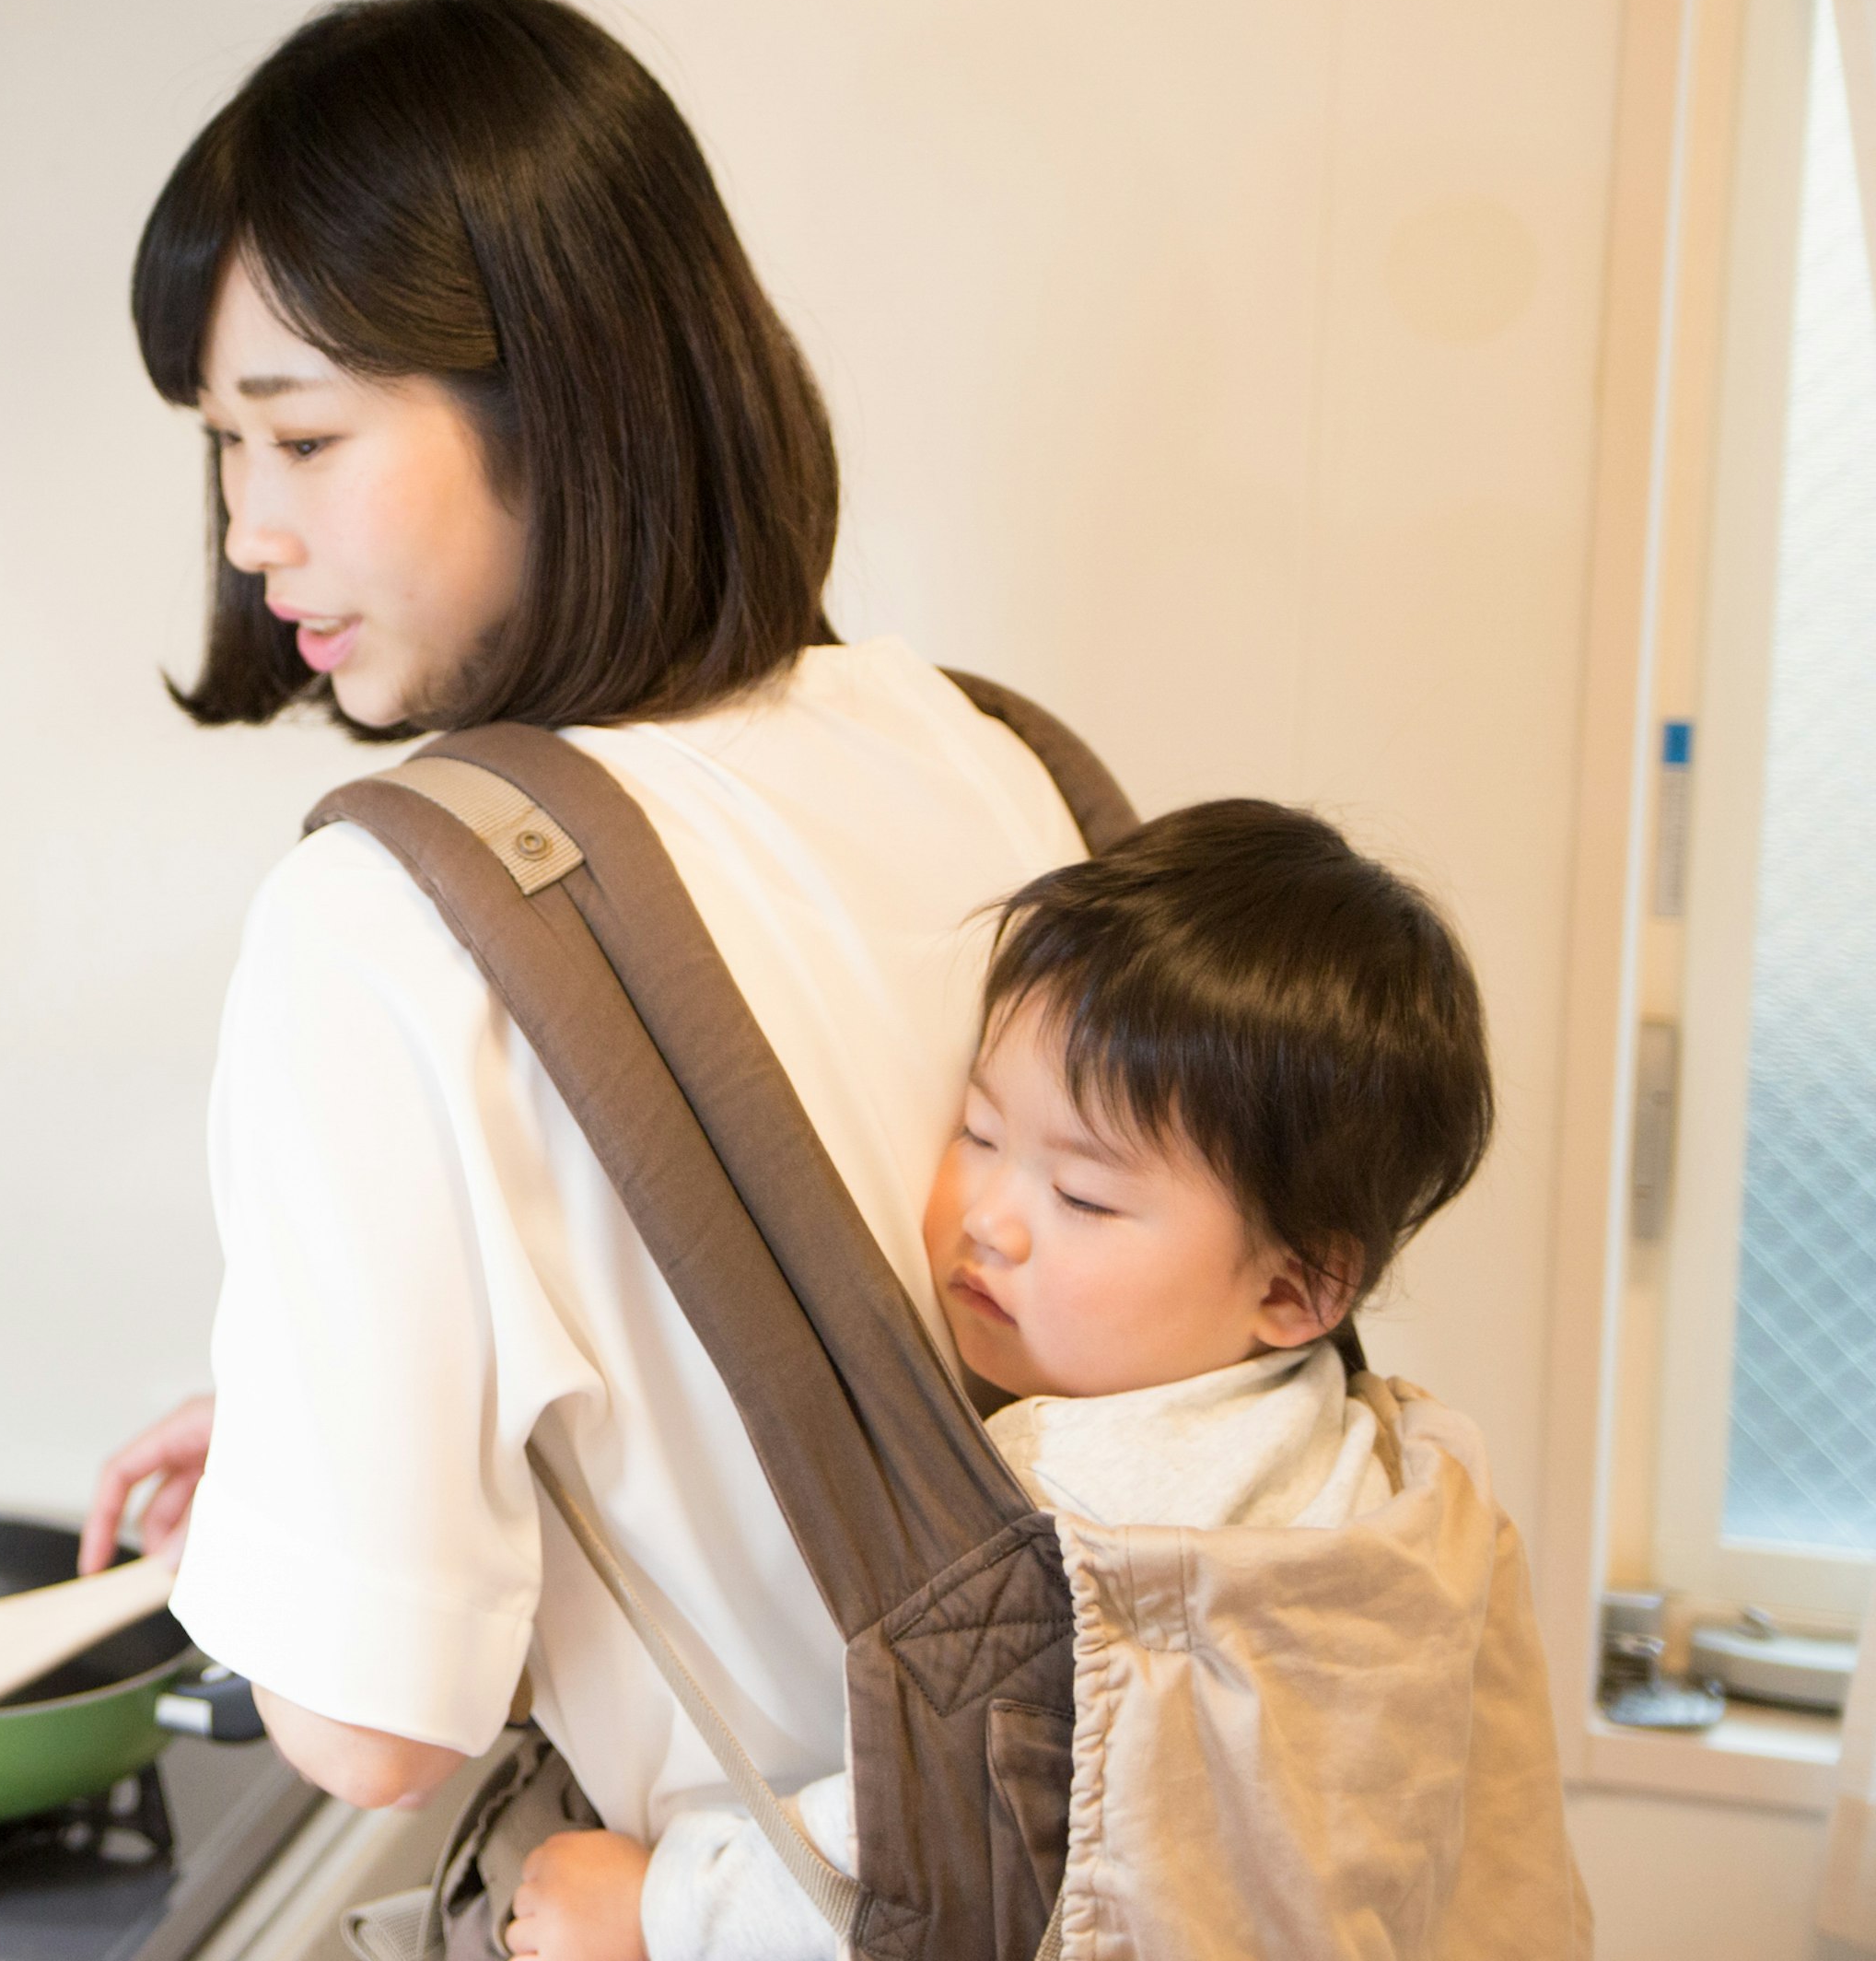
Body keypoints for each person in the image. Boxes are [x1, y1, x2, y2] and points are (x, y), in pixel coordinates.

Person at [76, 0, 1086, 1866]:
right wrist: (360, 1413)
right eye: (225, 446)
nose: (247, 532)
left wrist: (305, 1509)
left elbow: (363, 1722)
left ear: (554, 395)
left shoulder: (390, 911)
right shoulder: (966, 745)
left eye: (302, 440)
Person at [501, 797, 1495, 1961]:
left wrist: (659, 1908)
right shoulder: (1320, 1429)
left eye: (1081, 1195)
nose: (991, 1218)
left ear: (1295, 1290)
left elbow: (947, 1847)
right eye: (979, 1130)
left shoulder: (1087, 1518)